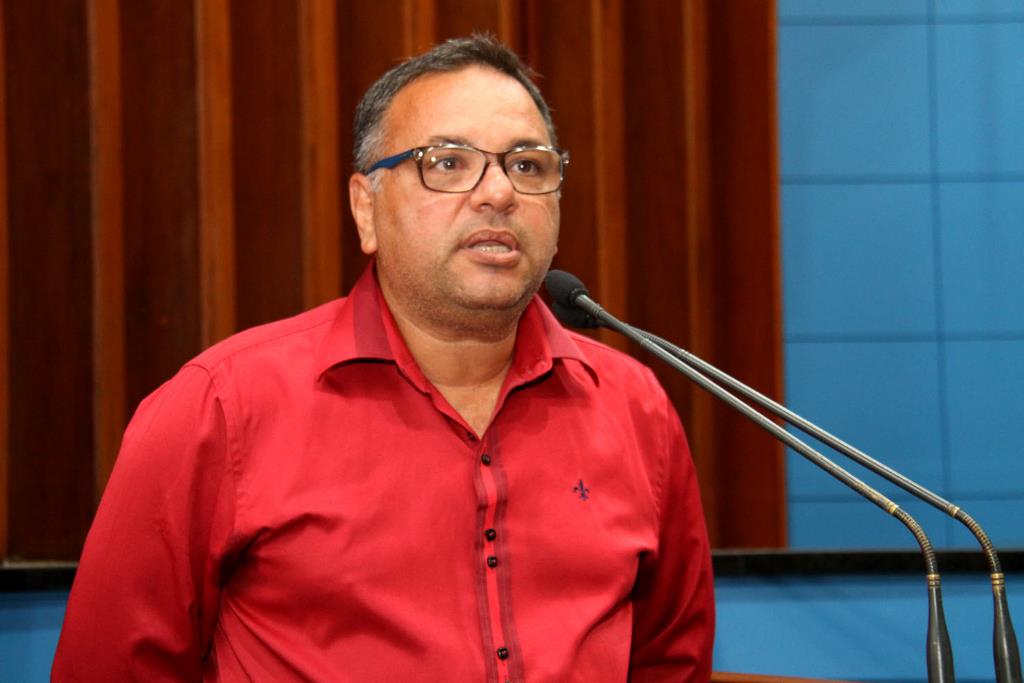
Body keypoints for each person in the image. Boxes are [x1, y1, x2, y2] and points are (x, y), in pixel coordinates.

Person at [52, 35, 714, 682]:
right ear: (365, 208)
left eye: (527, 166)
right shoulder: (219, 409)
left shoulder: (636, 409)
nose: (499, 193)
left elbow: (671, 662)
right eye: (448, 163)